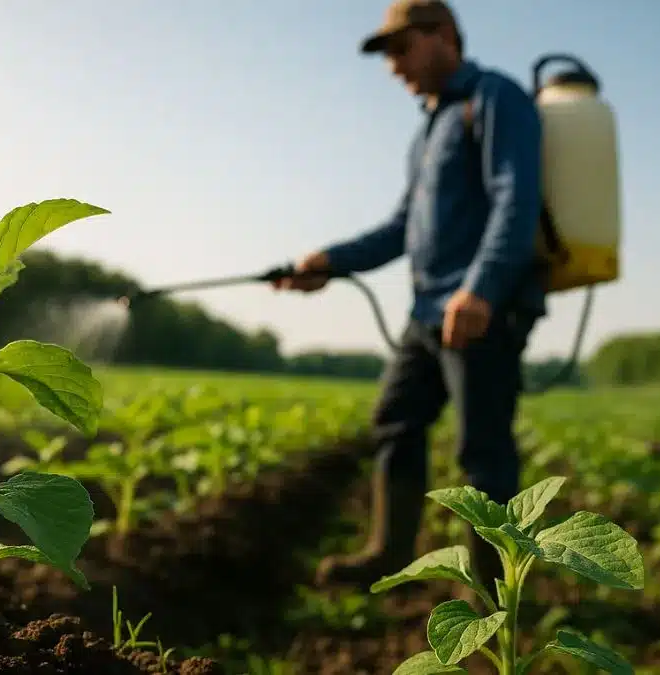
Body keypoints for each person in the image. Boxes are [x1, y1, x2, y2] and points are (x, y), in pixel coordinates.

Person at [273, 0, 546, 594]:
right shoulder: (429, 127)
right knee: (394, 419)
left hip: (482, 310)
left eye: (401, 48)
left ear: (444, 36)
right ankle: (388, 553)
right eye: (386, 54)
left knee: (483, 451)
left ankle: (496, 602)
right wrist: (329, 262)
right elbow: (403, 228)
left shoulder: (493, 98)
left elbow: (515, 199)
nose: (392, 65)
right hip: (428, 312)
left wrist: (481, 288)